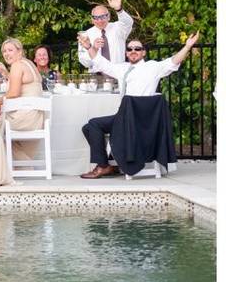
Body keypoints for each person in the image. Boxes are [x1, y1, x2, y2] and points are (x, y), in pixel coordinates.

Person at [79, 32, 200, 179]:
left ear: (143, 52)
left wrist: (187, 46)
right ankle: (109, 164)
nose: (133, 51)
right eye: (130, 49)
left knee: (93, 124)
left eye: (137, 48)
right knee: (88, 128)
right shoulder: (122, 68)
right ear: (126, 53)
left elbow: (173, 61)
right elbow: (102, 63)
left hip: (141, 122)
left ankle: (103, 166)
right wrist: (89, 47)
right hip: (124, 118)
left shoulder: (152, 67)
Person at [0, 38, 45, 164]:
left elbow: (14, 93)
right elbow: (19, 84)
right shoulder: (29, 64)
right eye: (4, 51)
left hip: (25, 118)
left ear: (20, 51)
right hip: (37, 117)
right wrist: (6, 74)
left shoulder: (17, 65)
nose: (6, 54)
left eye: (10, 50)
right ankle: (22, 163)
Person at [77, 0, 133, 69]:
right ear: (92, 20)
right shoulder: (86, 35)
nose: (99, 20)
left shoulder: (117, 28)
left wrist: (119, 9)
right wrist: (93, 49)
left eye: (103, 16)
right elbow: (84, 62)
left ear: (109, 17)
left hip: (117, 73)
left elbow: (128, 22)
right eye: (96, 17)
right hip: (96, 76)